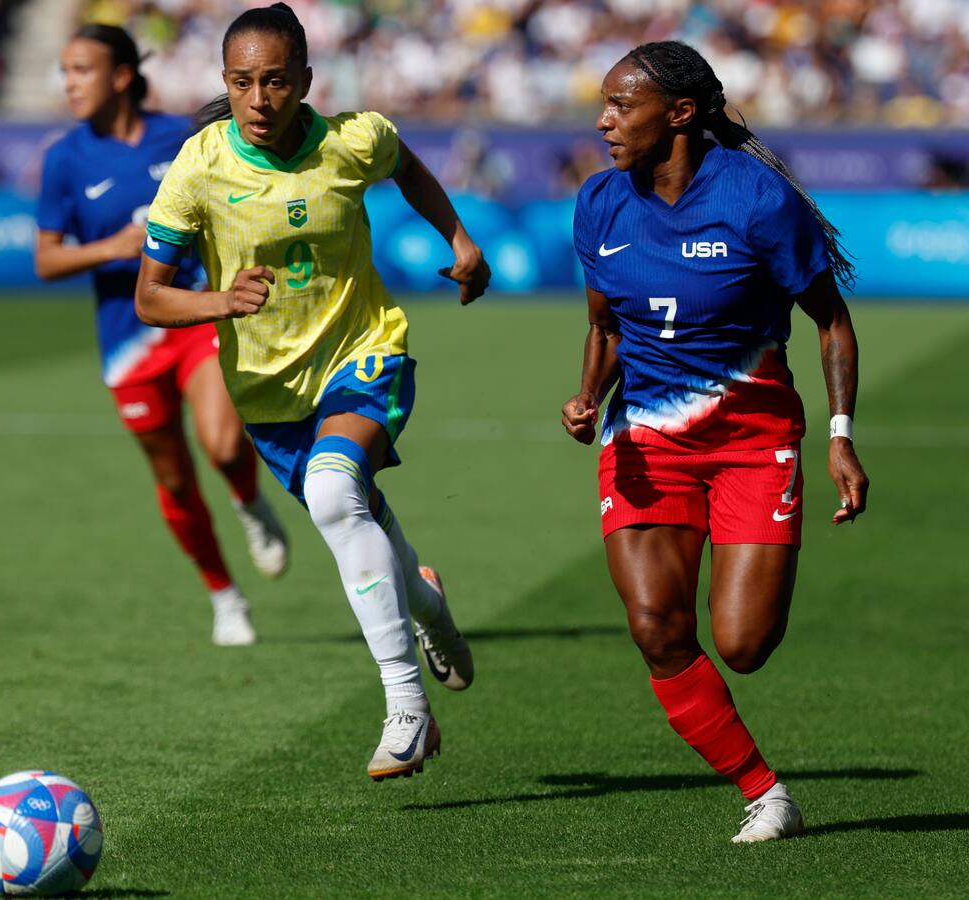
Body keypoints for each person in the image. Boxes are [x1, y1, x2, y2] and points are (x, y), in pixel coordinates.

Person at [134, 3, 491, 780]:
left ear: (304, 82)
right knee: (354, 519)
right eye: (240, 82)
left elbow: (407, 168)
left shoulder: (351, 140)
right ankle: (426, 604)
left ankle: (407, 711)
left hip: (365, 353)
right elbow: (151, 298)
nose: (257, 99)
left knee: (334, 495)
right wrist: (218, 302)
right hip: (268, 392)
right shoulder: (198, 168)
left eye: (274, 81)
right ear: (224, 83)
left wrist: (458, 238)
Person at [562, 41, 869, 842]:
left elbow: (831, 321)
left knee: (742, 644)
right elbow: (604, 325)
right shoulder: (599, 203)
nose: (604, 120)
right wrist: (588, 394)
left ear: (681, 115)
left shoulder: (759, 202)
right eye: (605, 104)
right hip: (645, 438)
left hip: (751, 437)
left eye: (622, 106)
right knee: (657, 627)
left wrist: (839, 436)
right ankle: (764, 791)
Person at [35, 23, 289, 647]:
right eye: (65, 72)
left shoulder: (180, 136)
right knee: (174, 479)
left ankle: (250, 502)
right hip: (127, 338)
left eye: (81, 70)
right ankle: (225, 597)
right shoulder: (64, 159)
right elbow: (45, 261)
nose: (69, 84)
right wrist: (110, 249)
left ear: (121, 76)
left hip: (193, 311)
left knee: (225, 444)